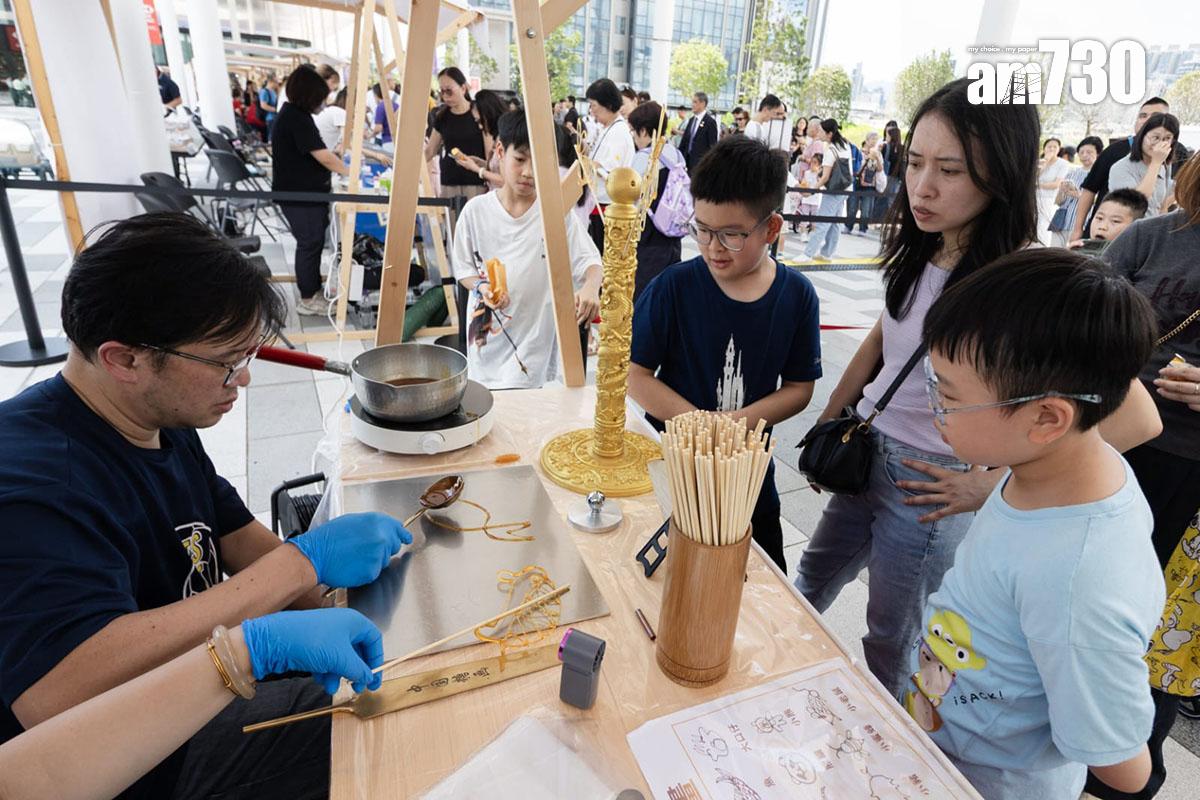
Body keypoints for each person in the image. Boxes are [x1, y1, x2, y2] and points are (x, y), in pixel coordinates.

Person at [0, 213, 412, 800]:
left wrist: (337, 600)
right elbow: (60, 696)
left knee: (400, 684)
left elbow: (236, 535)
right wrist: (300, 569)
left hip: (194, 703)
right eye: (224, 362)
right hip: (141, 766)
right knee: (388, 738)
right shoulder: (35, 487)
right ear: (125, 360)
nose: (241, 379)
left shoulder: (157, 418)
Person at [794, 77, 1163, 699]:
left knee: (894, 638)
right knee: (806, 583)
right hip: (866, 451)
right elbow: (888, 337)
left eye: (950, 170)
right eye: (914, 163)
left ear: (1001, 176)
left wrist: (991, 483)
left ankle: (902, 770)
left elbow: (1137, 415)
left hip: (932, 482)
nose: (922, 186)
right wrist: (834, 414)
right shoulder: (921, 245)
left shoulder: (1024, 278)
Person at [908, 250, 1162, 800]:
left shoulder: (1077, 580)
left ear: (1047, 418)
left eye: (946, 395)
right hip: (940, 737)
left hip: (989, 781)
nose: (935, 408)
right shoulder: (1059, 466)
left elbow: (1125, 768)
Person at [629, 136, 821, 571]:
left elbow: (799, 388)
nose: (713, 246)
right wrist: (699, 426)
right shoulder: (673, 287)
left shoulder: (796, 296)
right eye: (702, 229)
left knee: (762, 581)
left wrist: (732, 425)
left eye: (732, 234)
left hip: (748, 479)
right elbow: (636, 374)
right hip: (673, 469)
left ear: (771, 229)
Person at [0, 608, 383, 800]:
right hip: (150, 774)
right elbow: (32, 773)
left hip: (182, 717)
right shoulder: (39, 486)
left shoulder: (173, 450)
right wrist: (246, 652)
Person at [1091, 156, 1200, 799]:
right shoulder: (1154, 235)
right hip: (1113, 448)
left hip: (1192, 478)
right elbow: (1078, 323)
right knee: (1088, 603)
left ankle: (1126, 773)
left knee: (1154, 634)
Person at [451, 111, 602, 390]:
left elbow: (590, 261)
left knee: (527, 411)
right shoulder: (476, 212)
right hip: (487, 339)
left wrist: (591, 288)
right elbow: (464, 269)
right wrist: (483, 288)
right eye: (520, 159)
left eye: (541, 163)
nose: (529, 172)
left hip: (534, 341)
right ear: (500, 151)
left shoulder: (556, 214)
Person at [271, 66, 350, 315]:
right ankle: (308, 298)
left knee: (312, 241)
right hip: (299, 194)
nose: (324, 102)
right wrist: (350, 174)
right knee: (310, 242)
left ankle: (312, 290)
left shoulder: (294, 115)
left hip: (303, 192)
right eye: (321, 97)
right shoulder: (296, 117)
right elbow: (323, 157)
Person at [1068, 96, 1170, 242]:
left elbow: (1165, 203)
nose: (1146, 120)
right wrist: (1078, 229)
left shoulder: (1171, 156)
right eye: (1142, 116)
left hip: (1147, 238)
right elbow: (1089, 189)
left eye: (1154, 117)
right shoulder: (1115, 152)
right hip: (1107, 236)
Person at [629, 102, 686, 300]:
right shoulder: (676, 154)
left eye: (634, 132)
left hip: (649, 233)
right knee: (667, 289)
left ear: (644, 130)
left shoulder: (643, 157)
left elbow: (631, 196)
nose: (634, 138)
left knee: (644, 291)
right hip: (673, 233)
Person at [422, 67, 488, 208]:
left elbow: (489, 151)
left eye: (449, 91)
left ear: (463, 88)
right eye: (442, 92)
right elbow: (430, 150)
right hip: (449, 180)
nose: (445, 96)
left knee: (475, 225)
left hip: (476, 180)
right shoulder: (442, 116)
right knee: (453, 227)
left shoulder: (478, 112)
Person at [584, 78, 636, 251]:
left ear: (606, 104)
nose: (591, 111)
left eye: (593, 105)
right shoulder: (609, 128)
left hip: (606, 207)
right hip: (599, 204)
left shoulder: (619, 132)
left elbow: (614, 176)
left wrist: (595, 166)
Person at [1108, 112, 1180, 219]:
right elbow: (1137, 202)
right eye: (1155, 137)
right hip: (1130, 231)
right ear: (1142, 136)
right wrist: (1155, 163)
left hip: (1154, 231)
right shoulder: (1121, 168)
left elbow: (1162, 207)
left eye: (1167, 139)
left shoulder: (1164, 164)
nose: (1160, 144)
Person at [803, 118, 854, 262]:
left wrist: (811, 190)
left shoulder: (830, 150)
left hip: (835, 190)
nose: (818, 132)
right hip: (847, 188)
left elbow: (825, 177)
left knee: (822, 221)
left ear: (829, 134)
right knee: (835, 222)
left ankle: (808, 253)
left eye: (821, 130)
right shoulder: (845, 145)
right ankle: (827, 253)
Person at [448, 89, 510, 191]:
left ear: (489, 115)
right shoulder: (498, 136)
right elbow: (498, 169)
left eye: (480, 121)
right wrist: (480, 163)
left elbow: (504, 180)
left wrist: (476, 169)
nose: (480, 127)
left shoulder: (505, 138)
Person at [1049, 135, 1102, 247]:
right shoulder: (1071, 173)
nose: (1084, 155)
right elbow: (1058, 202)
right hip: (1061, 222)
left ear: (1098, 154)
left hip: (1081, 224)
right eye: (1081, 152)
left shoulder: (1100, 175)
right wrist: (1062, 191)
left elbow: (1099, 201)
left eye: (1089, 152)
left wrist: (1078, 195)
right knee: (1054, 255)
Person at [845, 132, 883, 235]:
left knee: (866, 209)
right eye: (872, 139)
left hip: (870, 185)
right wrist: (865, 160)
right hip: (857, 183)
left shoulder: (878, 154)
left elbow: (880, 169)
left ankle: (863, 228)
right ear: (866, 140)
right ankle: (848, 226)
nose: (874, 141)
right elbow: (855, 169)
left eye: (876, 139)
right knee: (852, 207)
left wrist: (877, 158)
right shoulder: (859, 152)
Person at [1035, 137, 1072, 245]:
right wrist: (1045, 162)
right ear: (1044, 148)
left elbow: (1056, 184)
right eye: (1049, 146)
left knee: (1043, 226)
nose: (1051, 149)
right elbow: (1033, 178)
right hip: (1033, 197)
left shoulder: (1063, 164)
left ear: (1059, 149)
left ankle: (1043, 248)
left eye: (1054, 147)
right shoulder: (1039, 162)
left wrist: (1037, 185)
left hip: (1048, 199)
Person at [679, 91, 718, 172]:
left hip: (700, 165)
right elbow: (684, 141)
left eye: (695, 102)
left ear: (703, 103)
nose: (692, 105)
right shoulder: (691, 120)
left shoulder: (710, 122)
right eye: (692, 102)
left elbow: (712, 146)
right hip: (687, 163)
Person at [314, 87, 347, 151]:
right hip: (322, 154)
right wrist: (372, 154)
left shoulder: (330, 109)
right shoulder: (341, 113)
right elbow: (346, 143)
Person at [259, 74, 280, 141]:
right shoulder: (264, 91)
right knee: (271, 136)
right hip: (270, 118)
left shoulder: (273, 91)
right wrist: (276, 110)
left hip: (275, 117)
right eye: (276, 82)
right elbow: (263, 105)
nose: (277, 84)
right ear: (271, 81)